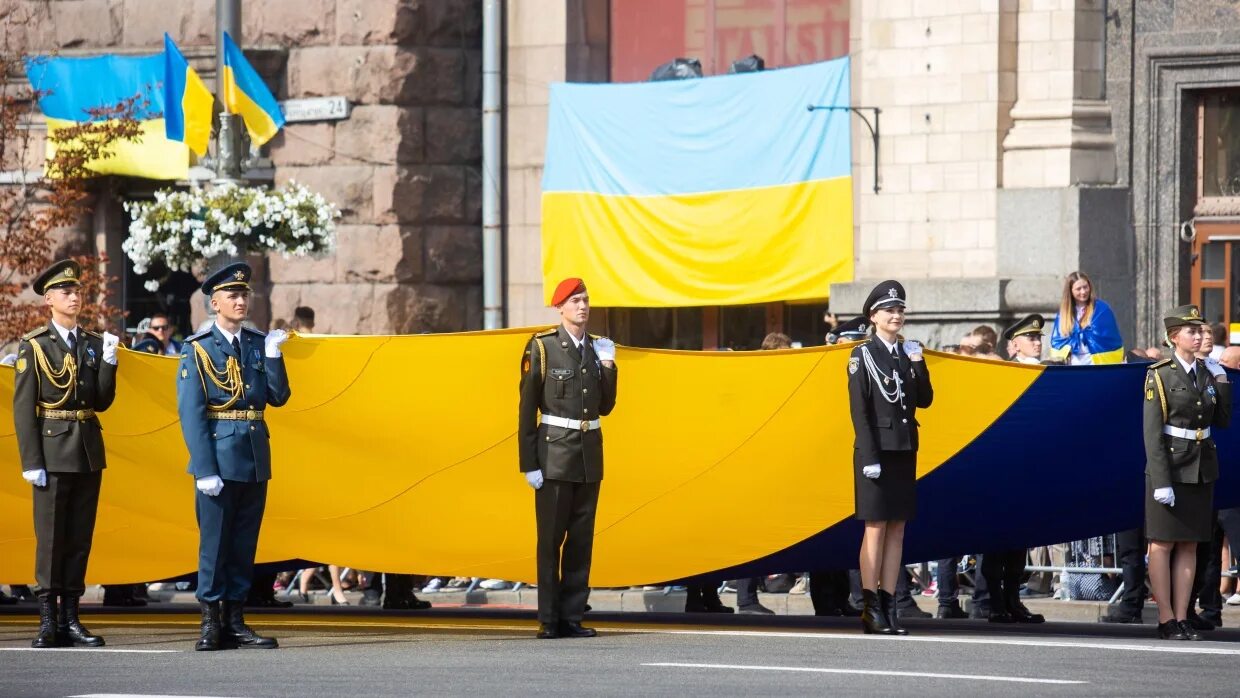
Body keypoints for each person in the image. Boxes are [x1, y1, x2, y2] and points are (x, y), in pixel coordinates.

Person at [177, 262, 291, 651]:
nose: (240, 301)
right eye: (232, 295)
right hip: (219, 459)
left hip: (254, 456)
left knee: (244, 543)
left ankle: (236, 620)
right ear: (215, 302)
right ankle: (211, 621)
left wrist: (274, 357)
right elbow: (191, 415)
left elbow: (277, 397)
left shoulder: (258, 343)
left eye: (244, 294)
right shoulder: (199, 348)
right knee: (215, 544)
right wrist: (205, 468)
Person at [13, 259, 120, 648]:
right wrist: (31, 462)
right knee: (51, 539)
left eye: (77, 292)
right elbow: (23, 409)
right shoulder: (36, 345)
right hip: (52, 450)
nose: (75, 297)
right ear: (49, 299)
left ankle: (72, 617)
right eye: (66, 292)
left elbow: (102, 401)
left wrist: (109, 363)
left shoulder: (91, 343)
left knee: (78, 538)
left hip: (88, 450)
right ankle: (48, 620)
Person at [518, 278, 618, 639]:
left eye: (586, 300)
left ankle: (572, 616)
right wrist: (528, 462)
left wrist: (608, 366)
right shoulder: (543, 348)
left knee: (581, 541)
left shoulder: (596, 348)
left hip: (588, 456)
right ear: (560, 307)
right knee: (550, 541)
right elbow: (527, 409)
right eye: (575, 301)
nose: (583, 306)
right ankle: (549, 618)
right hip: (554, 455)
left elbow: (605, 406)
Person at [848, 280, 933, 635]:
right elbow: (860, 410)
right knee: (876, 528)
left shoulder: (906, 352)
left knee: (897, 528)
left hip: (903, 448)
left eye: (900, 310)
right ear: (874, 316)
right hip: (876, 451)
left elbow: (925, 400)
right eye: (890, 310)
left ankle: (890, 604)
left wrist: (918, 364)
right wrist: (869, 455)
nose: (896, 315)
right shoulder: (862, 355)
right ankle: (870, 608)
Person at [1143, 305, 1230, 640]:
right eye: (1191, 331)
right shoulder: (1160, 374)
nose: (1198, 336)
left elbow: (1221, 421)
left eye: (1200, 330)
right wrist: (1161, 481)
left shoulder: (1207, 373)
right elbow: (1153, 433)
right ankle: (1165, 617)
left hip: (1200, 467)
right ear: (1173, 337)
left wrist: (1221, 381)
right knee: (1162, 544)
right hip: (1170, 466)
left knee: (1190, 545)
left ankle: (1182, 616)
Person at [975, 315, 1048, 624]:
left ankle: (1013, 599)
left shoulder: (1048, 374)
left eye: (1038, 337)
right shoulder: (1002, 373)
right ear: (1014, 345)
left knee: (1020, 538)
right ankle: (994, 601)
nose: (1036, 342)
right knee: (997, 539)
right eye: (1030, 338)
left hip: (1029, 467)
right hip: (1002, 467)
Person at [1050, 271, 1124, 365]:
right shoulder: (1063, 314)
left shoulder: (1102, 309)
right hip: (1071, 364)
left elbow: (1110, 339)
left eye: (1085, 287)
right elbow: (1058, 342)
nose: (1083, 291)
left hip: (1096, 363)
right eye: (1078, 289)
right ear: (1070, 291)